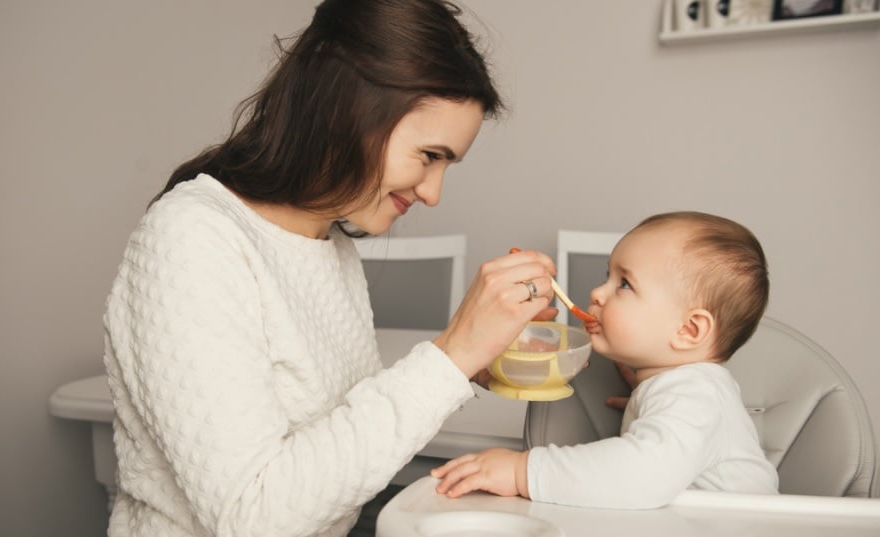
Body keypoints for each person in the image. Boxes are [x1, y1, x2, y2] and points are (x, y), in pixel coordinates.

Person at [101, 2, 559, 536]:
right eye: (428, 156)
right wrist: (450, 356)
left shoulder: (326, 241)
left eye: (447, 165)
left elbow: (335, 450)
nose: (433, 192)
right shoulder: (190, 238)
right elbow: (255, 517)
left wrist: (471, 358)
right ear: (348, 112)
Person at [432, 211, 780, 509]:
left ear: (689, 330)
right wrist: (648, 398)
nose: (597, 293)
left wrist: (521, 472)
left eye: (624, 284)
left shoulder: (694, 395)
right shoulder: (686, 389)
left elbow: (641, 476)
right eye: (607, 276)